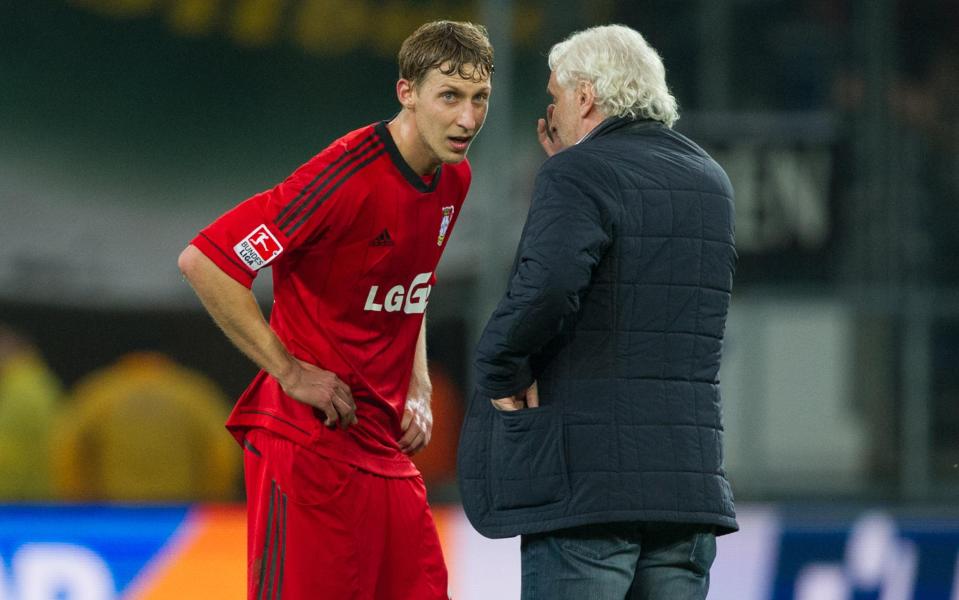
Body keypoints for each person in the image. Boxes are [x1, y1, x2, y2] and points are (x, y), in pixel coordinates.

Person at [178, 20, 493, 600]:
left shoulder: (454, 178)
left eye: (479, 100)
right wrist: (291, 371)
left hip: (384, 453)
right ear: (407, 93)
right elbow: (208, 261)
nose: (467, 119)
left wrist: (418, 383)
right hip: (308, 449)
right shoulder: (342, 177)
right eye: (449, 97)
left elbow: (413, 283)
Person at [457, 24, 737, 600]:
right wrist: (577, 165)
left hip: (587, 494)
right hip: (687, 493)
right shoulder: (711, 180)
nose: (551, 113)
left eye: (555, 97)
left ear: (585, 97)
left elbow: (548, 288)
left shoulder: (576, 174)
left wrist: (500, 370)